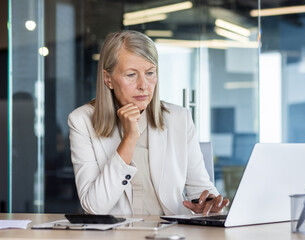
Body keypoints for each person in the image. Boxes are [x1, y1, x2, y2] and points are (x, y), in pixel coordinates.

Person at [68, 30, 229, 216]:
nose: (144, 85)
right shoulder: (82, 120)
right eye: (131, 75)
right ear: (108, 79)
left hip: (171, 232)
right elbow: (95, 207)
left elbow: (200, 188)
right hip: (117, 234)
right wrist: (129, 138)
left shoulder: (179, 118)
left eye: (150, 73)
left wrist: (207, 204)